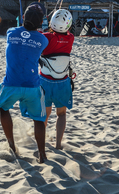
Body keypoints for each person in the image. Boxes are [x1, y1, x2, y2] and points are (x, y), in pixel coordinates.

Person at [0, 2, 49, 163]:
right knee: (38, 118)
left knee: (4, 109)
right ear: (41, 22)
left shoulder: (11, 33)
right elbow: (34, 47)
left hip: (11, 84)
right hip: (32, 86)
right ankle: (42, 154)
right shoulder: (42, 39)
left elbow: (20, 40)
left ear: (23, 17)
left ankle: (12, 146)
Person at [39, 9, 74, 149]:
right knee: (61, 114)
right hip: (62, 82)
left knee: (45, 115)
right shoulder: (71, 38)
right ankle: (58, 144)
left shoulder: (45, 37)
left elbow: (39, 35)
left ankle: (41, 142)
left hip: (45, 82)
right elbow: (65, 33)